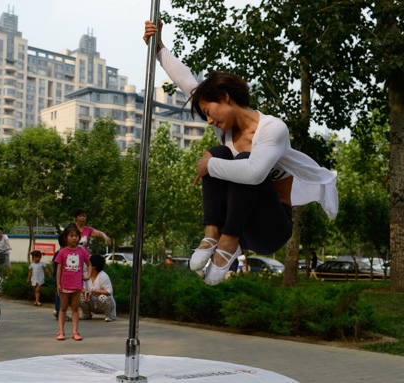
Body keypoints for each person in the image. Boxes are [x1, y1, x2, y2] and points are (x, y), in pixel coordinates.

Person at [143, 21, 338, 286]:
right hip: (240, 221)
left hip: (272, 228)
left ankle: (229, 241)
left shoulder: (273, 129)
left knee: (242, 162)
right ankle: (213, 234)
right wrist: (158, 47)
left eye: (209, 113)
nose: (209, 121)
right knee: (219, 152)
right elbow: (186, 80)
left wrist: (208, 166)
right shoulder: (224, 130)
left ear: (225, 97)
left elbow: (255, 172)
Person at [55, 224, 92, 341]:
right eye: (71, 236)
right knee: (63, 308)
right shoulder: (62, 252)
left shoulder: (82, 251)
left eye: (76, 236)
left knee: (75, 308)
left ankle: (75, 332)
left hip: (77, 285)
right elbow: (59, 269)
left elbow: (89, 264)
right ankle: (61, 332)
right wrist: (58, 284)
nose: (74, 238)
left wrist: (88, 276)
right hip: (65, 285)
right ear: (66, 238)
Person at [79, 254, 116, 322]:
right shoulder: (86, 275)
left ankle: (108, 315)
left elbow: (109, 291)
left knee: (102, 297)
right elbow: (81, 288)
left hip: (102, 303)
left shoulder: (103, 276)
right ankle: (87, 314)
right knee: (80, 295)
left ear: (93, 267)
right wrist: (85, 292)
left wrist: (97, 292)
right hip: (92, 302)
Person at [51, 232, 71, 322]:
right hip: (61, 279)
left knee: (58, 295)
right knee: (61, 297)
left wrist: (54, 273)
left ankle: (57, 311)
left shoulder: (57, 252)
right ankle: (60, 314)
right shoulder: (63, 253)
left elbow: (52, 263)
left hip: (56, 278)